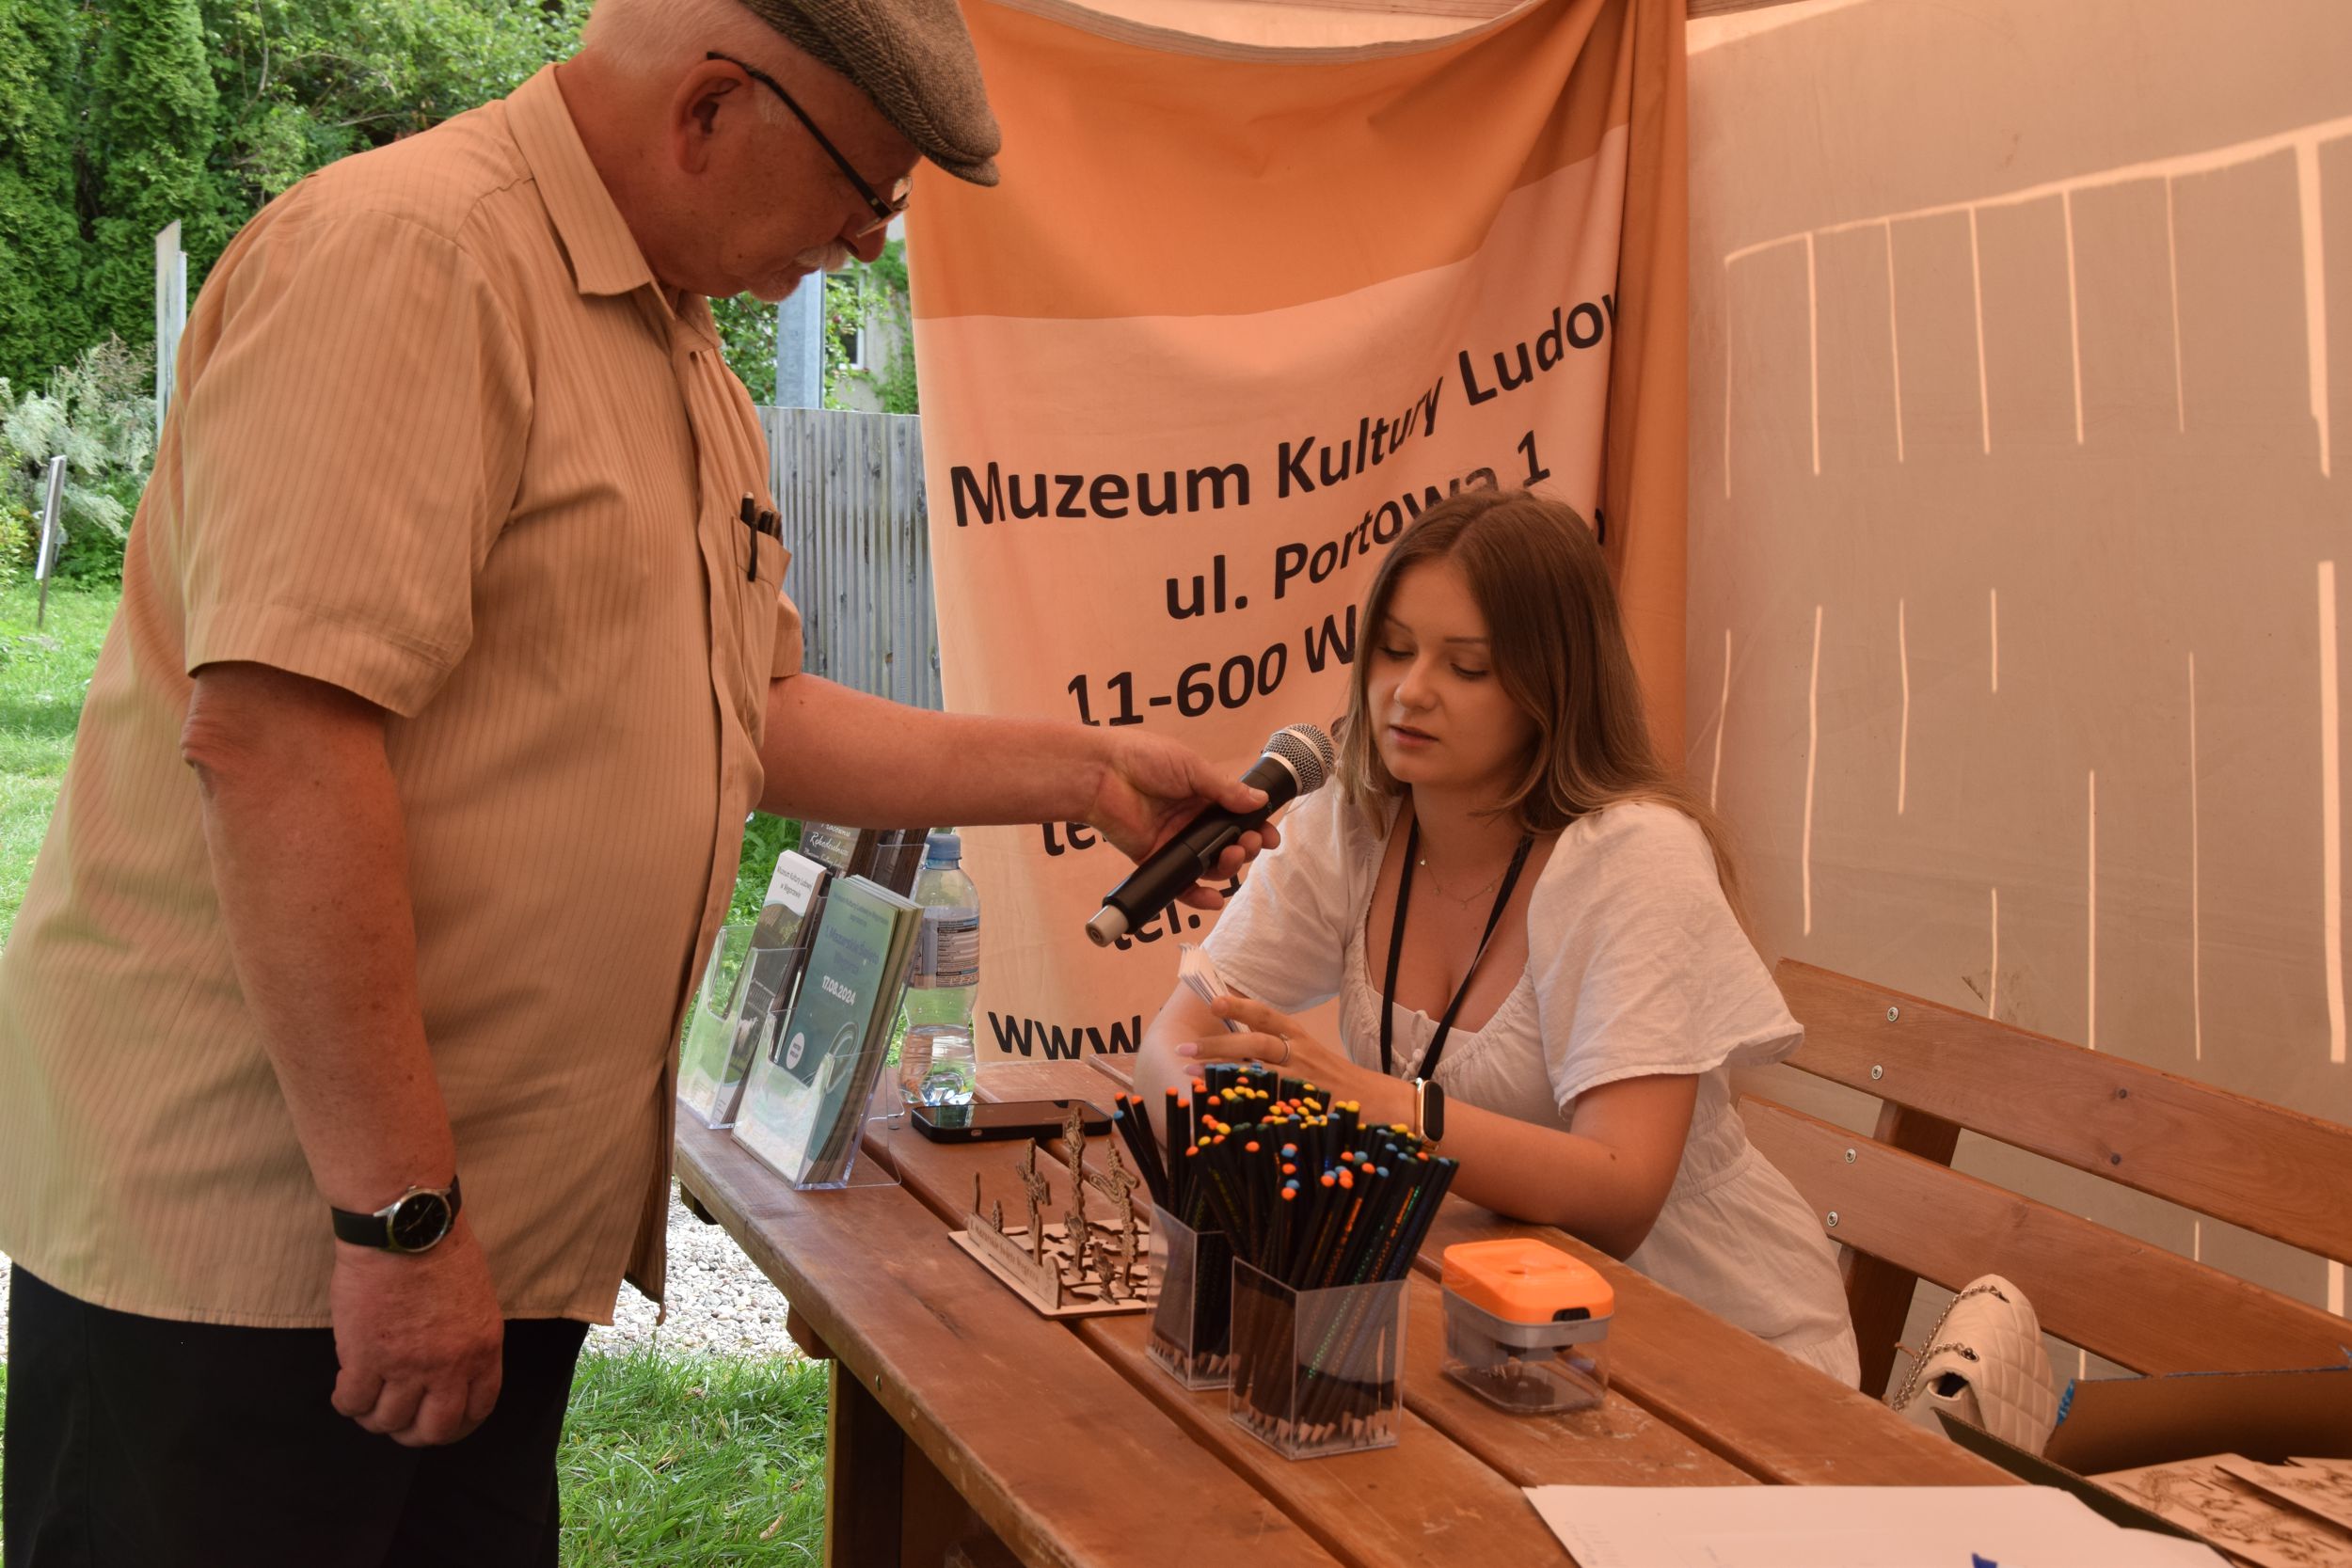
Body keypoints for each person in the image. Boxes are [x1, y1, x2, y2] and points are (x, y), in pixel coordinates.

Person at [0, 1, 1274, 1562]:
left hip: (457, 1246)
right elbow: (276, 746)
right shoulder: (417, 260)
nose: (869, 244)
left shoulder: (676, 348)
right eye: (868, 191)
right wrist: (398, 1217)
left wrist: (1087, 772)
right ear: (713, 108)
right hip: (273, 1261)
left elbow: (757, 709)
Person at [1135, 488, 1861, 1385]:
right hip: (1492, 1344)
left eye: (1467, 667)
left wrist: (1370, 1104)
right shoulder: (1345, 823)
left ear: (1551, 685)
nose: (1409, 690)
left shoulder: (1634, 856)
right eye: (1393, 650)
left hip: (1716, 1350)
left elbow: (1618, 1193)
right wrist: (1235, 1158)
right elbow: (1172, 1042)